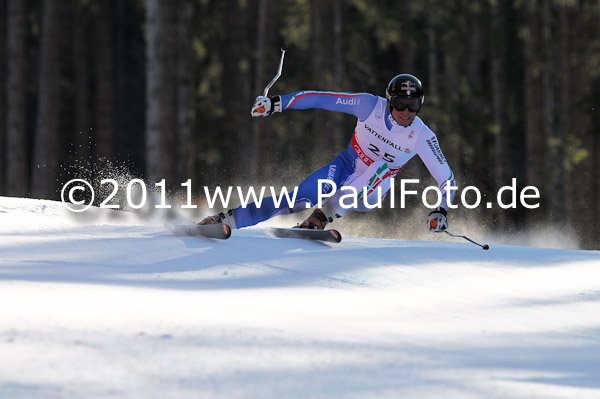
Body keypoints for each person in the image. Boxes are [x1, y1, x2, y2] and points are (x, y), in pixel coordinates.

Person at [199, 74, 456, 233]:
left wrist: (441, 210)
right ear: (389, 101)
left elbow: (447, 180)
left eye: (413, 106)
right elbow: (322, 98)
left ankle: (320, 217)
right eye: (400, 103)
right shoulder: (369, 105)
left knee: (380, 167)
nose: (405, 112)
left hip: (375, 186)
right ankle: (227, 219)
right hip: (346, 164)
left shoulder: (423, 136)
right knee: (299, 198)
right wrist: (277, 103)